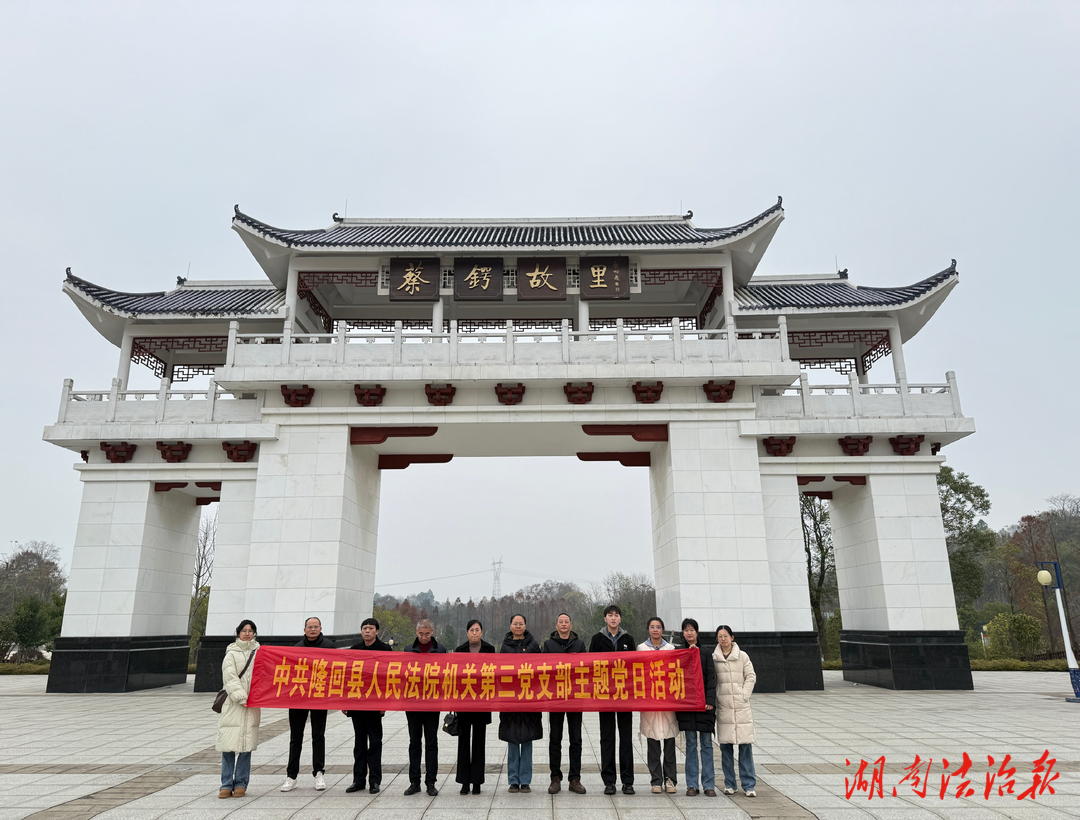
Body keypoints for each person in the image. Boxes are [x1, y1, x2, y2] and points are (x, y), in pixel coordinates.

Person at [281, 616, 336, 792]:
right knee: (296, 737)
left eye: (315, 626)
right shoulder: (297, 648)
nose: (312, 629)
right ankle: (291, 775)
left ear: (321, 628)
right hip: (298, 697)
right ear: (304, 630)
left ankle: (319, 772)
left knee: (318, 735)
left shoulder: (329, 647)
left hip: (320, 696)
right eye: (309, 627)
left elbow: (336, 671)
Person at [589, 604, 636, 795]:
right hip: (604, 695)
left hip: (624, 696)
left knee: (626, 739)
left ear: (620, 619)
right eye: (610, 615)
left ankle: (628, 781)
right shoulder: (597, 639)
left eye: (617, 615)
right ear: (605, 619)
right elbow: (590, 667)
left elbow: (635, 667)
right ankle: (609, 780)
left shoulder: (628, 639)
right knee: (607, 738)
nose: (614, 618)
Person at [344, 617, 393, 795]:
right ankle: (358, 780)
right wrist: (345, 702)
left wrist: (385, 702)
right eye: (364, 628)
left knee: (375, 742)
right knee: (359, 743)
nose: (367, 631)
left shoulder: (385, 650)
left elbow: (388, 677)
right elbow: (347, 676)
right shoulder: (355, 649)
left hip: (375, 703)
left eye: (370, 628)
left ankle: (374, 780)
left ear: (377, 631)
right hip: (357, 703)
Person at [541, 613, 587, 794]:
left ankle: (575, 778)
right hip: (555, 696)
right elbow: (543, 668)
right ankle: (555, 777)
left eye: (566, 621)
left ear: (571, 624)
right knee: (555, 738)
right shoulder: (548, 645)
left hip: (575, 696)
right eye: (560, 621)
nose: (563, 624)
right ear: (556, 625)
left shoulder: (579, 644)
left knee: (576, 739)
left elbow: (586, 668)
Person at [498, 613, 543, 793]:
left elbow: (541, 669)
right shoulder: (505, 646)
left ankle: (525, 780)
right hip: (510, 698)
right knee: (512, 740)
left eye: (521, 623)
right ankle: (513, 780)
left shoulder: (533, 645)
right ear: (510, 626)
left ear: (525, 625)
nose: (518, 626)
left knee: (527, 740)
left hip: (529, 697)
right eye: (515, 623)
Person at [217, 620, 261, 799]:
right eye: (244, 630)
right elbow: (230, 678)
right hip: (233, 704)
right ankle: (226, 784)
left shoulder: (259, 652)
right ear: (238, 633)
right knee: (228, 746)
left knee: (246, 745)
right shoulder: (231, 653)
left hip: (252, 705)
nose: (247, 633)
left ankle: (241, 783)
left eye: (251, 631)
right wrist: (241, 697)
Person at [403, 619, 447, 796]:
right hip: (413, 703)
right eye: (421, 634)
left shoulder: (440, 649)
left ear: (432, 632)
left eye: (427, 634)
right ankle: (414, 782)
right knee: (414, 742)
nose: (423, 637)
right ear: (416, 632)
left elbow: (446, 673)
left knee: (431, 742)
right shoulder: (408, 650)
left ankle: (431, 782)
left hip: (432, 703)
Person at [713, 625, 757, 797]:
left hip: (741, 707)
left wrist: (744, 695)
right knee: (726, 748)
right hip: (724, 707)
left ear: (732, 637)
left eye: (725, 636)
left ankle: (749, 784)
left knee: (745, 747)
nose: (723, 639)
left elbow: (751, 676)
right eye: (719, 636)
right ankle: (730, 783)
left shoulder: (742, 656)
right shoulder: (714, 658)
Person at [454, 619, 496, 795]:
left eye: (477, 630)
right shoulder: (459, 650)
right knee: (463, 743)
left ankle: (477, 781)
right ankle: (464, 781)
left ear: (481, 632)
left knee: (479, 743)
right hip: (464, 701)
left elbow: (495, 674)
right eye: (471, 630)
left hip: (482, 702)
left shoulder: (490, 649)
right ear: (467, 632)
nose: (474, 633)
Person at [638, 617, 679, 794]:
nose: (655, 630)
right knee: (653, 742)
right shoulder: (641, 648)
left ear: (663, 629)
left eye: (658, 627)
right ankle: (656, 780)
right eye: (652, 627)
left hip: (667, 700)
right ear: (648, 629)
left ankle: (670, 780)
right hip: (649, 700)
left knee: (669, 742)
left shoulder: (671, 649)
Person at [676, 617, 717, 797]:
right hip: (687, 705)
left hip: (704, 705)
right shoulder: (678, 653)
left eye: (692, 629)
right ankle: (692, 784)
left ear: (697, 632)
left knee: (707, 744)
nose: (689, 632)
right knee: (691, 744)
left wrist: (710, 701)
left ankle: (709, 784)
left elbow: (711, 678)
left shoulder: (706, 653)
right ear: (683, 633)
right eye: (686, 630)